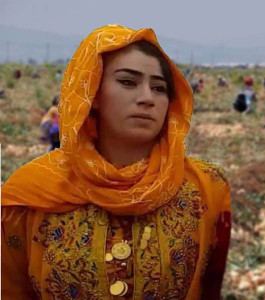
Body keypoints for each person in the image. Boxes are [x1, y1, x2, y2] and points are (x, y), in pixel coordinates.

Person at [1, 25, 231, 300]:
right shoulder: (30, 195)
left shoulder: (205, 187)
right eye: (128, 82)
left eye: (159, 88)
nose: (147, 98)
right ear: (93, 93)